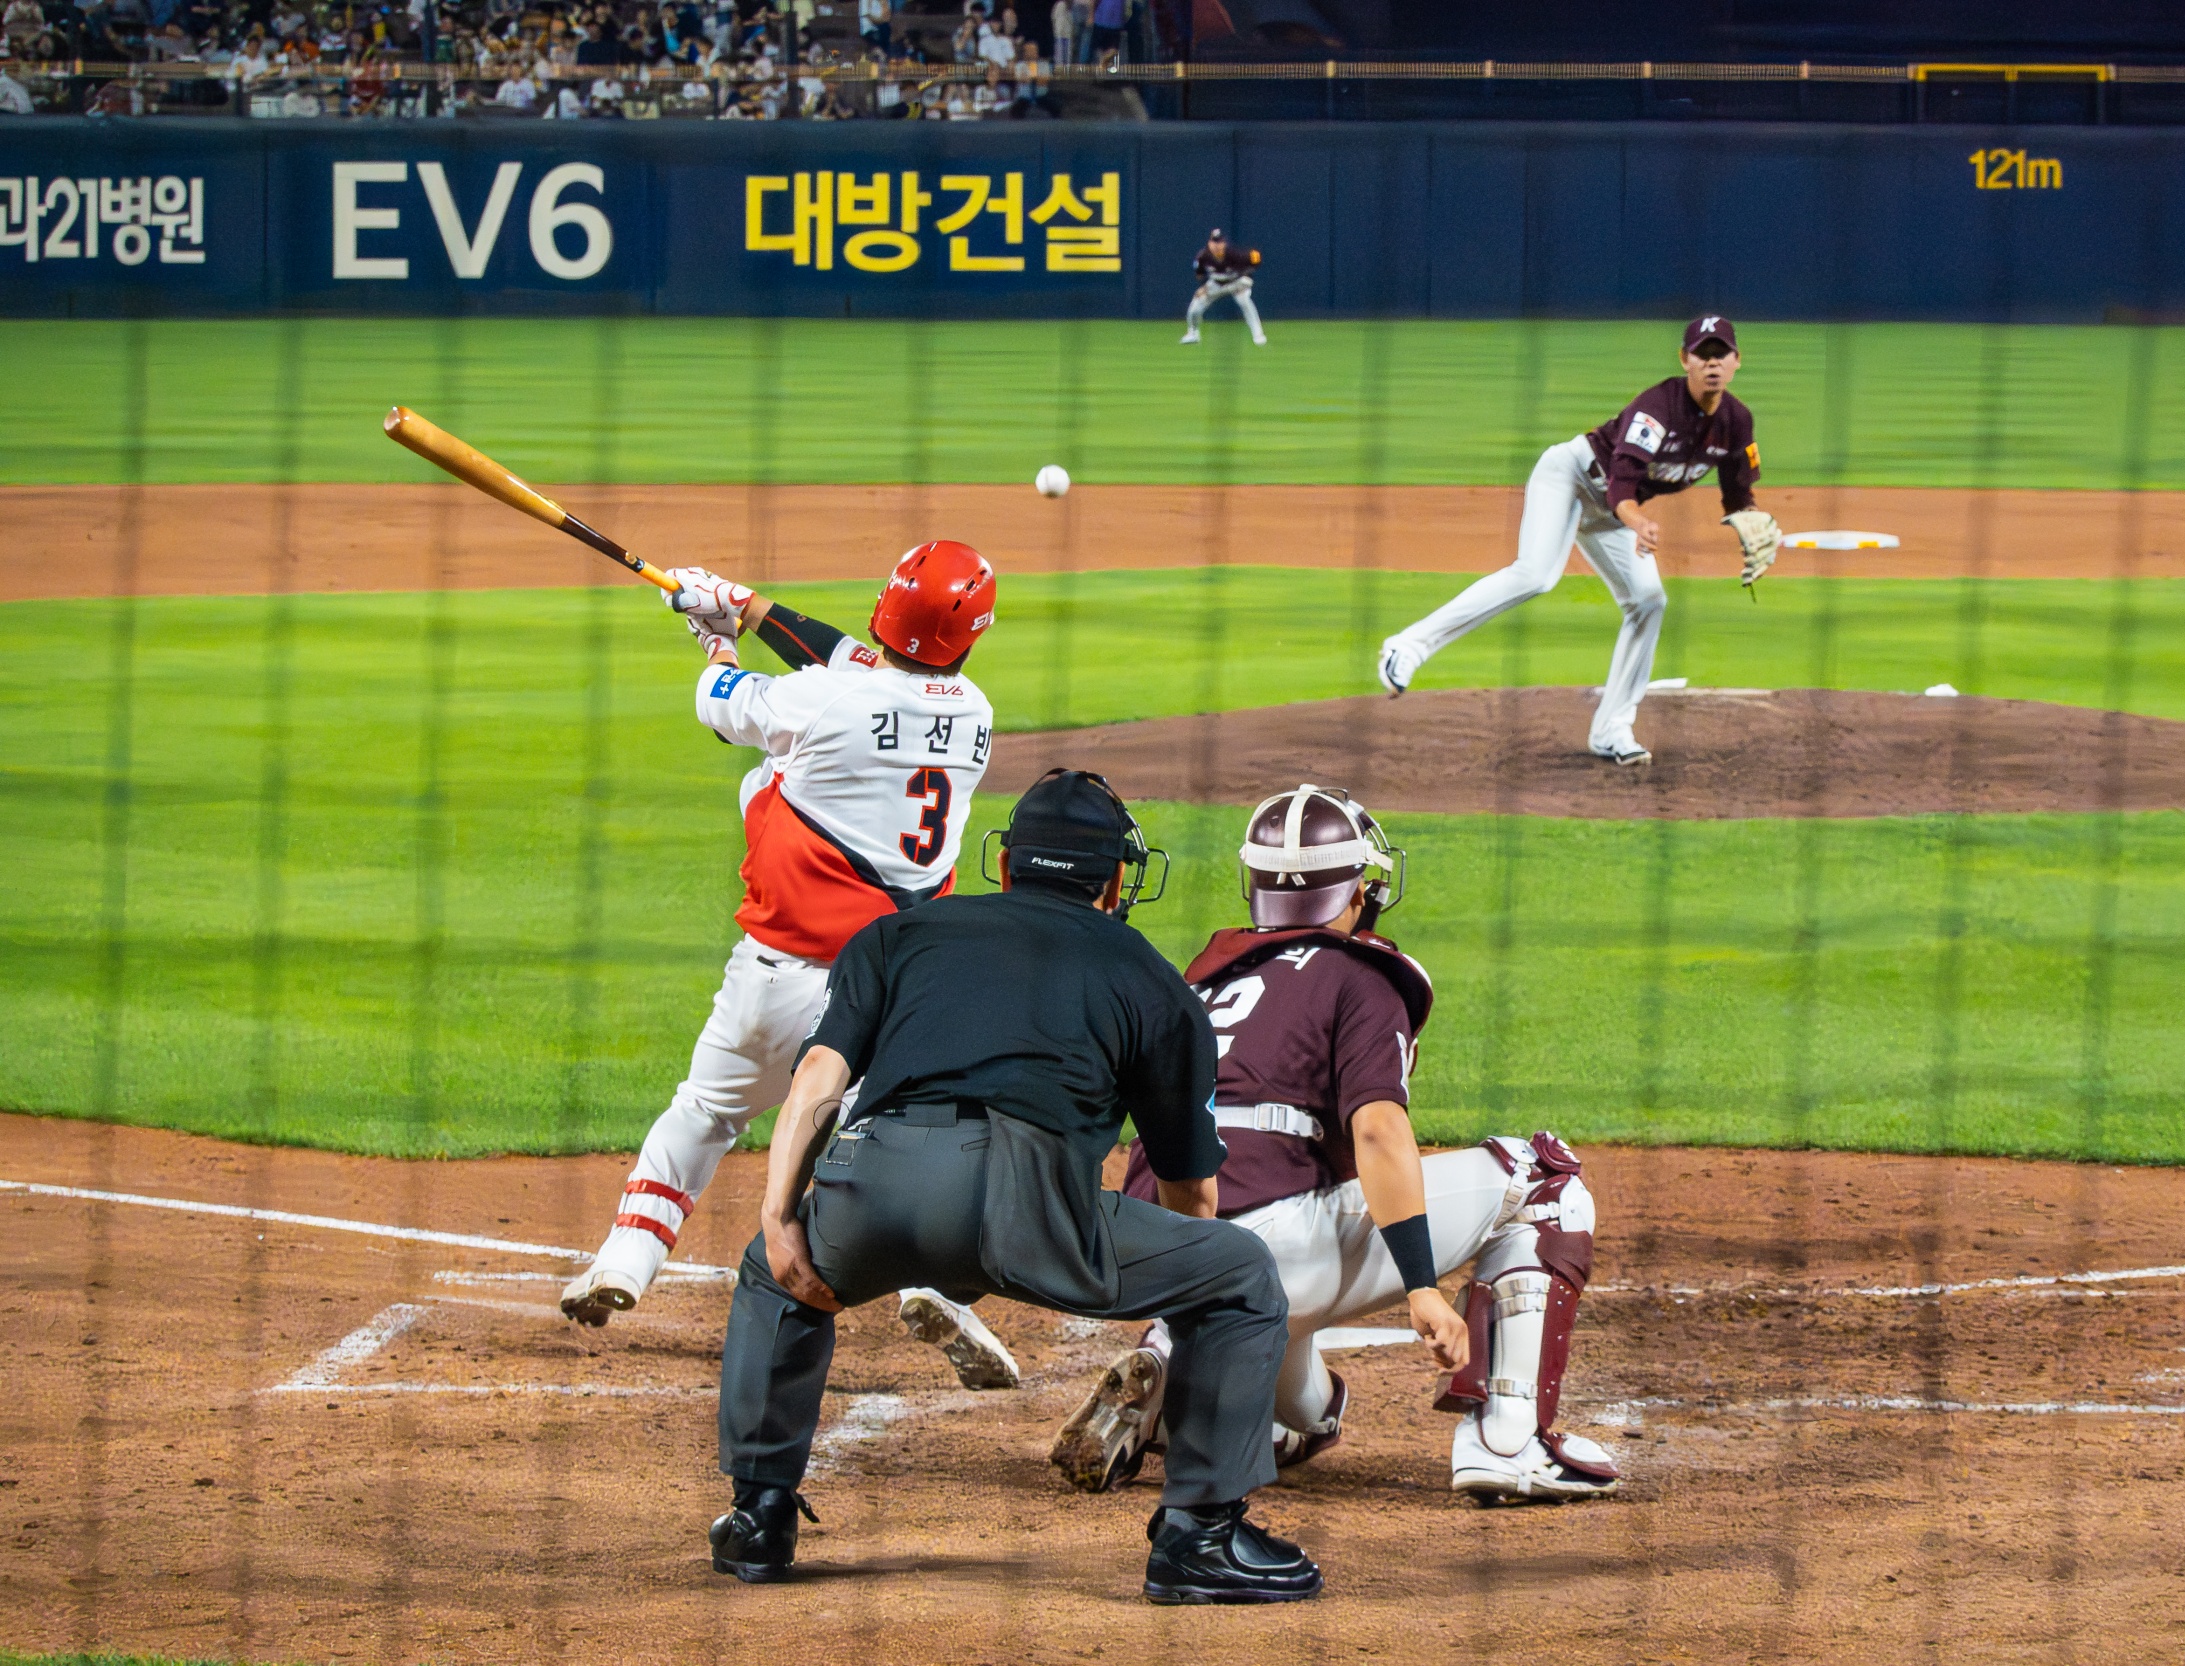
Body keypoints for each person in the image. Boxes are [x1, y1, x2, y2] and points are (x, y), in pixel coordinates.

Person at [710, 770, 1322, 1604]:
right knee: (1240, 1273)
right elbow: (1191, 1191)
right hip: (1035, 1206)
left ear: (1005, 864)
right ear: (1116, 880)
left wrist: (781, 1215)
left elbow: (820, 1073)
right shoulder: (1153, 980)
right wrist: (1176, 1281)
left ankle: (758, 1514)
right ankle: (1200, 1538)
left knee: (770, 1274)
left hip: (875, 1182)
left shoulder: (898, 935)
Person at [1049, 785, 1622, 1504]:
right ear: (1358, 889)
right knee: (1541, 1181)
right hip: (1277, 1249)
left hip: (1164, 1256)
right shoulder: (1358, 975)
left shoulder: (1201, 980)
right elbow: (1378, 1130)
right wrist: (1422, 1287)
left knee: (1311, 1419)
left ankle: (1175, 1363)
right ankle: (1509, 1442)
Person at [557, 544, 1025, 1399]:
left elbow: (719, 703)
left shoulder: (820, 703)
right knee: (904, 1145)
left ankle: (626, 1256)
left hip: (772, 981)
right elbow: (860, 667)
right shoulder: (975, 715)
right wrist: (746, 601)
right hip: (885, 1001)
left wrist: (715, 638)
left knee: (704, 1111)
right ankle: (931, 1287)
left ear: (887, 606)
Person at [1376, 314, 1783, 766]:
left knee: (1649, 600)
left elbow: (1737, 494)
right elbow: (1622, 480)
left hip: (1614, 511)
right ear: (1684, 359)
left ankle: (1612, 730)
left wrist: (1751, 524)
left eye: (1720, 354)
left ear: (1737, 360)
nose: (1712, 363)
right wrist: (1636, 521)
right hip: (1571, 479)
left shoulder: (1736, 421)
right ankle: (1407, 646)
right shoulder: (1657, 407)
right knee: (1536, 575)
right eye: (1702, 354)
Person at [1181, 227, 1263, 346]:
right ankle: (1193, 334)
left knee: (1244, 301)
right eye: (1214, 242)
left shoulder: (1233, 254)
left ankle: (1258, 335)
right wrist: (1203, 287)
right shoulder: (1203, 257)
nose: (1217, 246)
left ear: (1224, 243)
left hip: (1236, 283)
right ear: (1209, 243)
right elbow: (1200, 274)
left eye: (1220, 242)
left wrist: (1246, 280)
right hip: (1216, 284)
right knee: (1195, 307)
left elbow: (1256, 258)